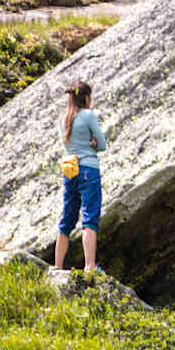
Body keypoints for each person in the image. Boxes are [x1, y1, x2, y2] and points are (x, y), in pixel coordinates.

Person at [57, 81, 107, 272]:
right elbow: (102, 145)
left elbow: (68, 145)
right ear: (86, 97)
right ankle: (89, 266)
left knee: (67, 218)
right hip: (88, 168)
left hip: (70, 170)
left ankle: (58, 266)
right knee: (90, 217)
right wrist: (92, 143)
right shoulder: (87, 115)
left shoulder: (63, 119)